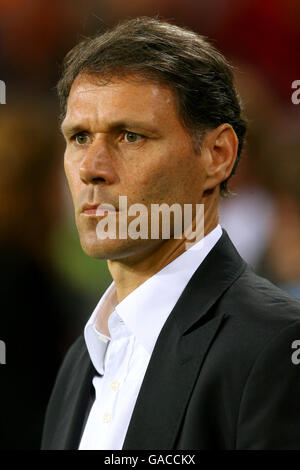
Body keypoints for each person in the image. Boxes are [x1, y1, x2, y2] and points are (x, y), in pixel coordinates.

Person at [41, 17, 300, 450]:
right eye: (80, 137)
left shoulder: (276, 349)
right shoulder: (80, 360)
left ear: (217, 156)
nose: (91, 168)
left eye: (130, 136)